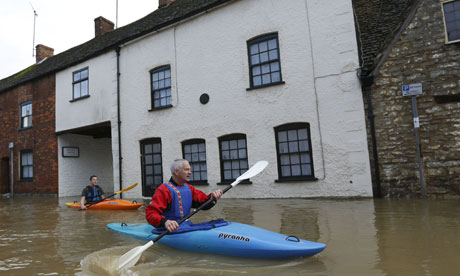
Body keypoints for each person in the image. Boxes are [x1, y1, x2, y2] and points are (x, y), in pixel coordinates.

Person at [146, 159, 223, 232]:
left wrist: (213, 197)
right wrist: (165, 222)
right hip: (168, 229)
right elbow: (150, 213)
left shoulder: (189, 188)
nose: (190, 172)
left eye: (190, 169)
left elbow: (204, 203)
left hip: (186, 225)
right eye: (186, 170)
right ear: (176, 172)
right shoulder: (163, 190)